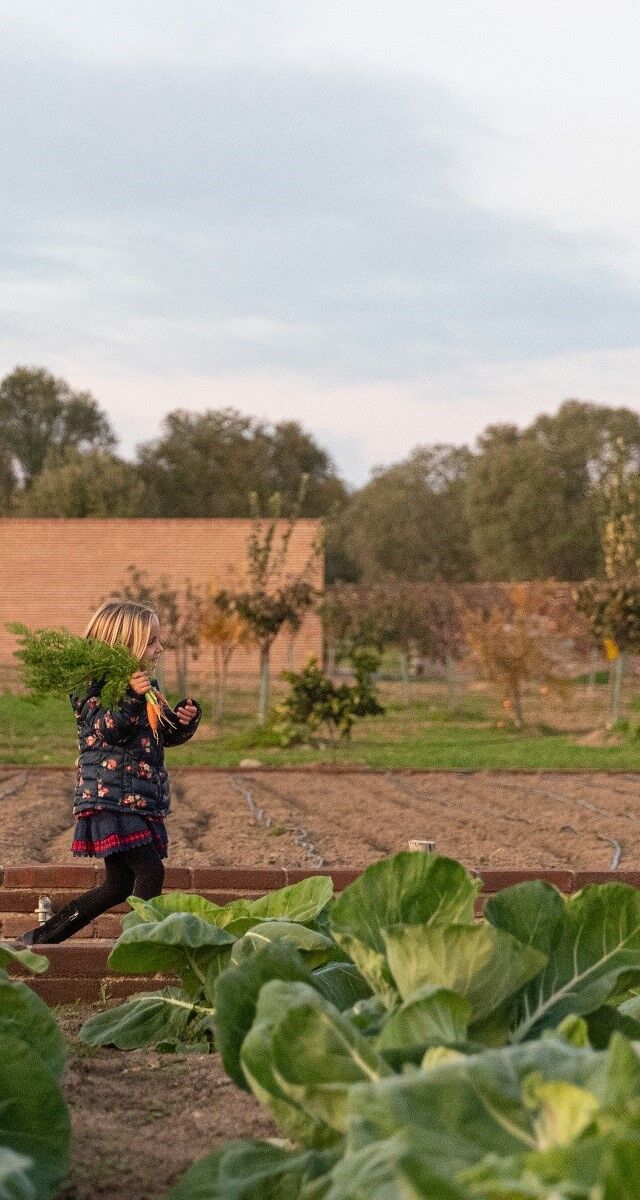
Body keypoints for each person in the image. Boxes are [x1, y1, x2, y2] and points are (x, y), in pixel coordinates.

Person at [19, 600, 201, 945]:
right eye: (151, 641)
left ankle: (41, 937)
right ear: (124, 644)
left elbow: (159, 734)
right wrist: (134, 696)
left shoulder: (146, 686)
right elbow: (108, 728)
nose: (159, 647)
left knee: (117, 885)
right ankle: (142, 946)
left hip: (135, 796)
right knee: (150, 871)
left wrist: (183, 720)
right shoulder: (92, 687)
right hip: (109, 796)